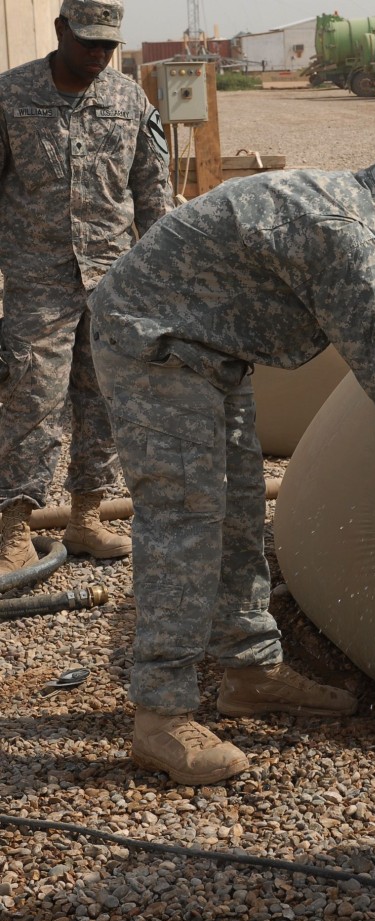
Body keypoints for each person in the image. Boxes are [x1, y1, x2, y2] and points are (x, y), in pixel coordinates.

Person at [88, 114, 375, 787]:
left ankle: (249, 671)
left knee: (236, 511)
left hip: (207, 346)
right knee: (185, 523)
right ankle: (160, 718)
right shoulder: (350, 237)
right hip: (155, 343)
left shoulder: (346, 205)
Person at [0, 0, 173, 574]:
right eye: (88, 42)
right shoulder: (10, 96)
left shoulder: (129, 100)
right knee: (31, 402)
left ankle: (86, 517)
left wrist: (161, 283)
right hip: (36, 283)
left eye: (108, 45)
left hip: (113, 282)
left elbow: (153, 193)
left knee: (102, 402)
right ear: (60, 30)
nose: (98, 55)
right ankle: (14, 530)